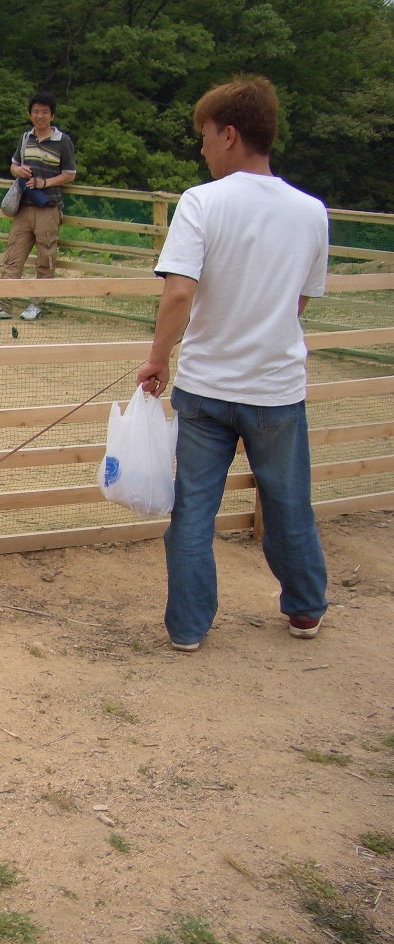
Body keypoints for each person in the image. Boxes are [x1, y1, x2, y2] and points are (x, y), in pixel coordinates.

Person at [136, 75, 329, 653]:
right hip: (276, 388)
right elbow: (296, 303)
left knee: (194, 511)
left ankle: (189, 629)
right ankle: (304, 609)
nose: (201, 149)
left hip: (206, 388)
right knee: (288, 503)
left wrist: (155, 359)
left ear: (229, 134)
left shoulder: (201, 202)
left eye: (203, 137)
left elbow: (177, 294)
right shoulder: (311, 211)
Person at [0, 90, 77, 322]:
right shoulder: (26, 138)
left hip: (48, 208)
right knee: (13, 256)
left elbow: (70, 174)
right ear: (30, 114)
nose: (40, 116)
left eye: (44, 111)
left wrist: (46, 182)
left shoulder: (63, 142)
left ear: (52, 115)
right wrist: (18, 171)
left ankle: (37, 304)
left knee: (46, 258)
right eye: (36, 111)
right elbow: (13, 165)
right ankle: (3, 304)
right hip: (24, 207)